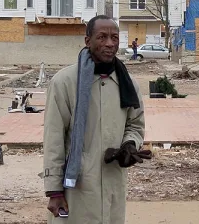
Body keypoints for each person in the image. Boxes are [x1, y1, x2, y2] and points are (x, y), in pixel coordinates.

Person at [42, 15, 151, 224]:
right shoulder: (64, 82)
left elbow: (135, 124)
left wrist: (129, 145)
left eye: (114, 38)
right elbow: (53, 138)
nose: (109, 44)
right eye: (102, 37)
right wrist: (54, 189)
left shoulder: (128, 84)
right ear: (87, 41)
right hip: (76, 186)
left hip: (113, 181)